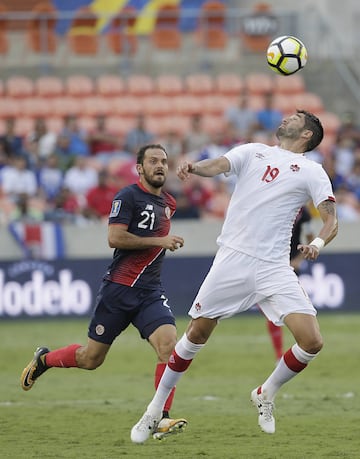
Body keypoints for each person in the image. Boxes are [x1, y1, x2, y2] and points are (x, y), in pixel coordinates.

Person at [131, 110, 338, 442]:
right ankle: (154, 410)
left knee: (312, 341)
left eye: (294, 118)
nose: (285, 119)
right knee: (197, 333)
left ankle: (266, 392)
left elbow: (331, 220)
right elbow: (219, 165)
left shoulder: (313, 171)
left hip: (274, 267)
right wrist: (195, 167)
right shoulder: (253, 150)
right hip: (234, 259)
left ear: (307, 136)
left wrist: (315, 243)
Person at [21, 144, 188, 440]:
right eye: (153, 161)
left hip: (149, 292)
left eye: (163, 161)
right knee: (91, 359)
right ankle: (44, 359)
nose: (160, 165)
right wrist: (159, 240)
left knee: (168, 347)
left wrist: (159, 242)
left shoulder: (169, 203)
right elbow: (114, 237)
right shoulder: (127, 196)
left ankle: (160, 417)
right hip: (118, 291)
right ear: (140, 168)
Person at [265, 204, 315, 362]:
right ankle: (280, 355)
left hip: (289, 265)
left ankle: (296, 350)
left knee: (289, 310)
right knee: (272, 310)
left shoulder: (303, 212)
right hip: (268, 263)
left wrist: (298, 259)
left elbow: (310, 237)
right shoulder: (273, 205)